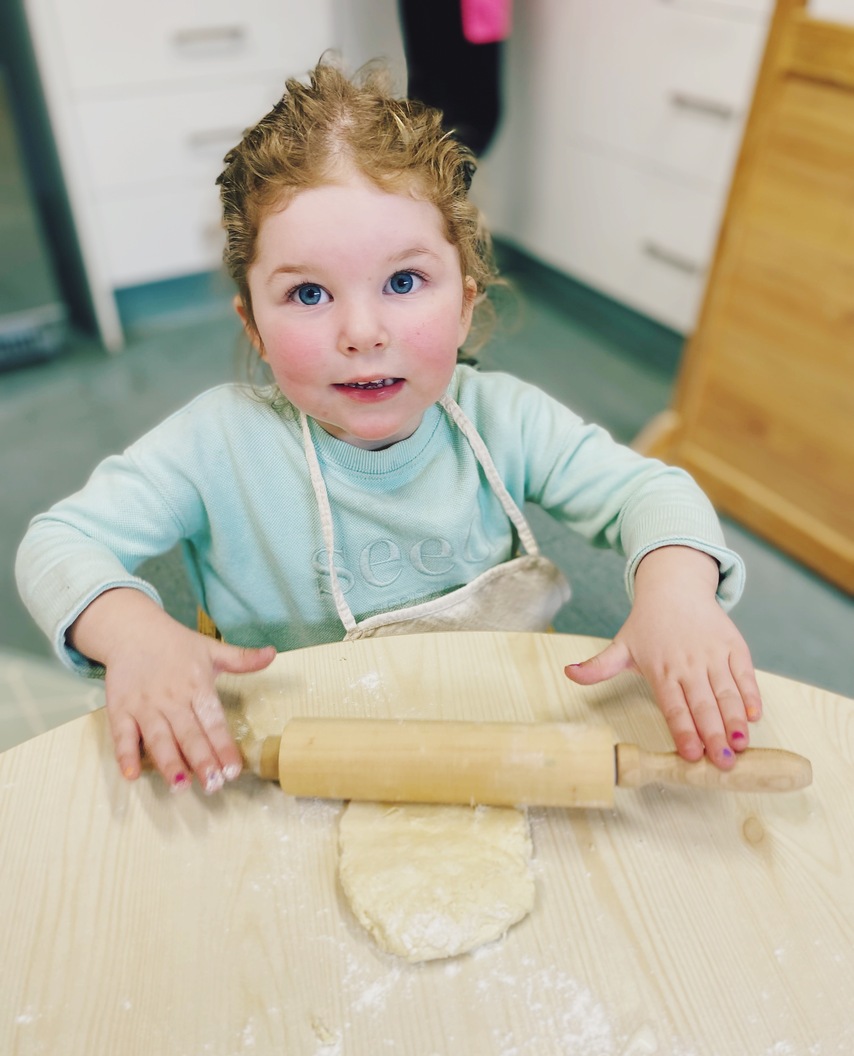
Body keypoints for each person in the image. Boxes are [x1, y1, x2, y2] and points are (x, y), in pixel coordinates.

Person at [15, 60, 762, 796]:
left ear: (465, 303)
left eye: (404, 282)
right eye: (309, 292)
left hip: (490, 737)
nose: (362, 331)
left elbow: (652, 493)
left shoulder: (506, 421)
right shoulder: (217, 445)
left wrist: (678, 591)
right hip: (287, 759)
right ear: (254, 325)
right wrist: (130, 631)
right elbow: (56, 544)